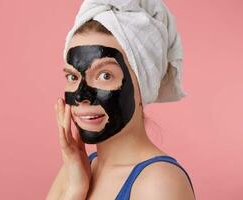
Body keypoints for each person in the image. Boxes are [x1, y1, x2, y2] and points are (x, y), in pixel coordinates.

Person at [47, 1, 195, 200]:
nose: (81, 97)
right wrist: (74, 191)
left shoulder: (159, 184)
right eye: (73, 77)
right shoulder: (74, 171)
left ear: (143, 84)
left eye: (105, 75)